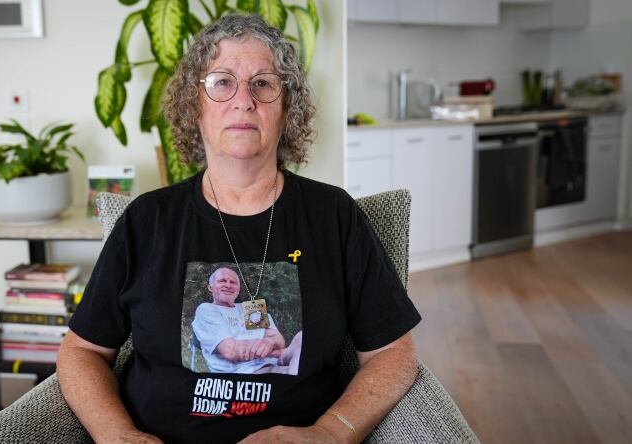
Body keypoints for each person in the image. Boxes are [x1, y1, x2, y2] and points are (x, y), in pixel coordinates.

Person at [57, 13, 421, 444]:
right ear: (195, 106)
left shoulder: (333, 215)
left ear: (287, 109)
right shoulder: (147, 220)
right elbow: (81, 351)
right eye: (222, 82)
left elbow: (394, 353)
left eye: (263, 84)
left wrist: (329, 433)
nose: (243, 100)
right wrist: (115, 434)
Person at [192, 266, 302, 375]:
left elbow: (278, 340)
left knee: (301, 337)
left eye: (233, 282)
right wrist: (278, 352)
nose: (228, 285)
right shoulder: (207, 309)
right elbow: (231, 351)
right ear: (210, 287)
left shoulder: (250, 308)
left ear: (238, 289)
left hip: (276, 362)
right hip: (246, 372)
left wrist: (270, 342)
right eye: (222, 281)